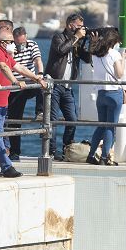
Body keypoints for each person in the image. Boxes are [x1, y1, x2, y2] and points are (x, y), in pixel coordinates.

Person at [0, 29, 47, 178]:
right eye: (11, 42)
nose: (13, 45)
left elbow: (19, 68)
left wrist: (36, 78)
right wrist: (15, 81)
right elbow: (3, 67)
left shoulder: (6, 55)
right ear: (3, 43)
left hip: (1, 102)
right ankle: (6, 166)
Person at [45, 13, 88, 160]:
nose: (82, 29)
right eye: (79, 26)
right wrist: (76, 37)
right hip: (55, 85)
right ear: (71, 25)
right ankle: (51, 152)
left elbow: (87, 58)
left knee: (72, 119)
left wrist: (91, 42)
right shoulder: (58, 37)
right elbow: (61, 50)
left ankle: (67, 149)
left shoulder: (77, 41)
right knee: (53, 120)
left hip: (68, 88)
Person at [86, 28, 126, 166]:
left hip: (101, 94)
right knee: (110, 127)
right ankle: (104, 157)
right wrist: (124, 59)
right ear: (113, 41)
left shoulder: (96, 54)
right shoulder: (115, 54)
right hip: (114, 94)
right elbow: (120, 74)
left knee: (101, 126)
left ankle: (91, 155)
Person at [6, 26, 44, 160]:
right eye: (18, 43)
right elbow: (9, 66)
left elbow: (38, 60)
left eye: (23, 42)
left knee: (41, 84)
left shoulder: (32, 44)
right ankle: (15, 152)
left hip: (29, 82)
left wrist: (39, 74)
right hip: (15, 86)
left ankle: (40, 111)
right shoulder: (9, 47)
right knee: (14, 121)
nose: (21, 45)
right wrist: (11, 53)